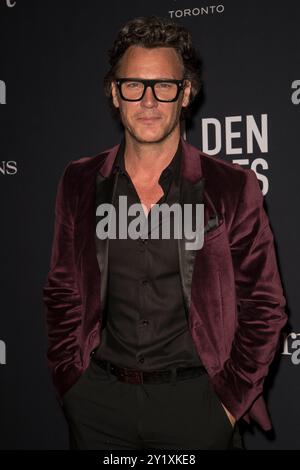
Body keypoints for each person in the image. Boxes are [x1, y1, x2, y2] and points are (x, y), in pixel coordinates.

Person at [43, 16, 287, 450]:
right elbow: (63, 289)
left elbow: (264, 305)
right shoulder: (78, 181)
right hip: (99, 406)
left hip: (198, 407)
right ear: (115, 93)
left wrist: (228, 403)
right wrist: (72, 384)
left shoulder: (231, 186)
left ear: (186, 93)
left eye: (164, 86)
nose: (149, 100)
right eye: (134, 85)